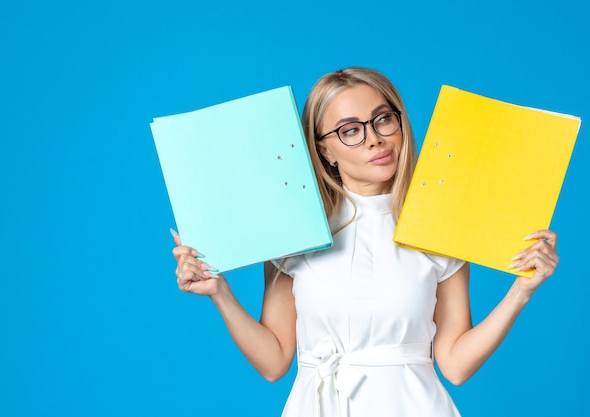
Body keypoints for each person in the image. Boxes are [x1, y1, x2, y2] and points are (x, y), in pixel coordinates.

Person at [171, 67, 559, 417]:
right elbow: (274, 362)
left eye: (383, 120)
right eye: (350, 130)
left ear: (401, 123)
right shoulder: (294, 233)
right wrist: (220, 293)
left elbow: (455, 365)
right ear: (324, 149)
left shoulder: (440, 226)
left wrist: (521, 291)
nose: (374, 139)